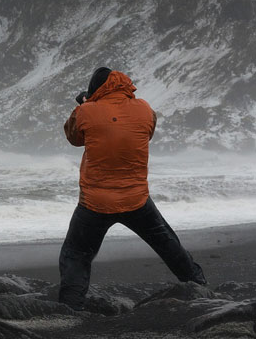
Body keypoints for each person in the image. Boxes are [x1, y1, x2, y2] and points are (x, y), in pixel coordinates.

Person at [58, 66, 206, 310]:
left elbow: (74, 138)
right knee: (168, 244)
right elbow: (144, 134)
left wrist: (85, 104)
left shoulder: (85, 111)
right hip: (136, 198)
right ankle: (199, 284)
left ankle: (70, 310)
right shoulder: (145, 109)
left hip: (95, 202)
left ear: (95, 90)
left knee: (76, 254)